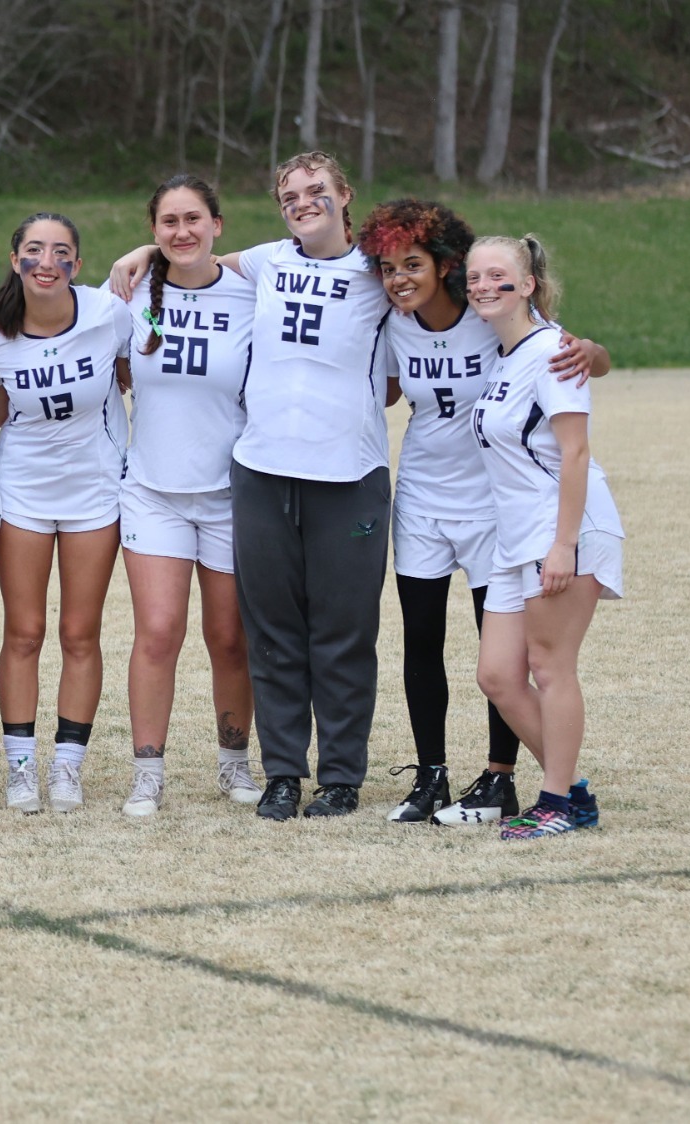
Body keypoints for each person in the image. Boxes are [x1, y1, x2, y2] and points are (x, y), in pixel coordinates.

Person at [111, 150, 387, 821]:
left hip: (347, 473)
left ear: (344, 194)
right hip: (262, 472)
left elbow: (451, 295)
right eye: (289, 195)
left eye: (316, 191)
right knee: (272, 633)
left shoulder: (382, 272)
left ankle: (342, 776)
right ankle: (283, 773)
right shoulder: (269, 260)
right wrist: (146, 251)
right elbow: (191, 257)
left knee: (341, 632)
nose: (302, 202)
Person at [358, 200, 609, 824]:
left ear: (444, 265)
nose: (399, 278)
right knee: (431, 641)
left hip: (499, 506)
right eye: (388, 268)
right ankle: (433, 776)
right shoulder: (393, 323)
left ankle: (508, 779)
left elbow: (574, 358)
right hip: (423, 496)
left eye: (412, 263)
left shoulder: (493, 316)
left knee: (517, 659)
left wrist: (594, 352)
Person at [466, 234, 622, 840]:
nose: (482, 285)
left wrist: (563, 545)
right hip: (515, 536)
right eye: (474, 276)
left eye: (497, 275)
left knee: (551, 666)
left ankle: (555, 802)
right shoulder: (507, 352)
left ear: (528, 284)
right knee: (499, 677)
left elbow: (575, 453)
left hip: (563, 530)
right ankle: (573, 792)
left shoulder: (554, 351)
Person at [117, 176, 260, 818]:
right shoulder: (128, 294)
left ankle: (235, 763)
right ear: (154, 231)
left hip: (232, 492)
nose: (182, 232)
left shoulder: (251, 295)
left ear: (217, 225)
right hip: (153, 490)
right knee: (157, 631)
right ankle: (148, 772)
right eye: (168, 222)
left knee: (229, 636)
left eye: (193, 219)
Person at [0, 212, 132, 816]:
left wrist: (142, 250)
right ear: (15, 259)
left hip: (95, 490)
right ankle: (21, 768)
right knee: (23, 632)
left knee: (78, 633)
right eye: (35, 251)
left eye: (61, 252)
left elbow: (133, 368)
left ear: (79, 263)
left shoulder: (106, 312)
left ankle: (67, 767)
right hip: (21, 490)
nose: (48, 262)